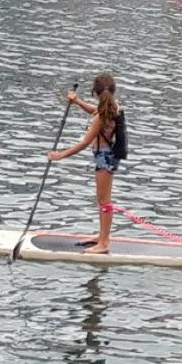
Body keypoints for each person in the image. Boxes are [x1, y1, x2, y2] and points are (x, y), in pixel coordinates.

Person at [47, 73, 128, 255]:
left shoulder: (103, 115)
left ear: (95, 92)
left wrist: (60, 155)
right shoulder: (113, 107)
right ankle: (101, 236)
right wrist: (78, 102)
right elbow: (96, 110)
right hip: (106, 156)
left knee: (104, 201)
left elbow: (84, 142)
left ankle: (104, 242)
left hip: (104, 158)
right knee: (102, 200)